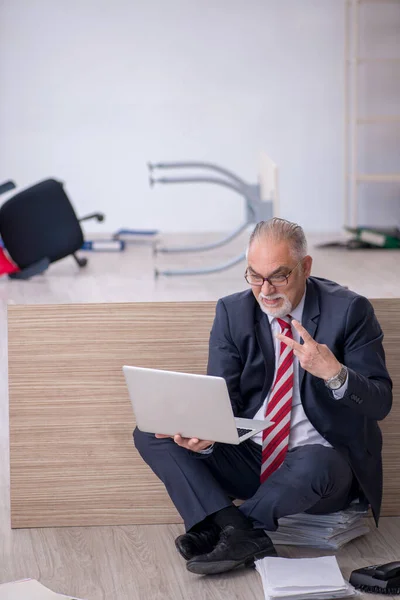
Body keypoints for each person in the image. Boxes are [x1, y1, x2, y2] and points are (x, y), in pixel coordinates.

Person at [134, 218, 392, 576]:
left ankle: (221, 525)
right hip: (251, 458)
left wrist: (334, 374)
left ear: (305, 267)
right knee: (151, 431)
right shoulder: (233, 311)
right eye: (254, 276)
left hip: (318, 473)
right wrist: (206, 437)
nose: (265, 289)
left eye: (279, 276)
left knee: (318, 461)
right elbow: (222, 400)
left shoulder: (349, 310)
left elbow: (381, 402)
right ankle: (240, 532)